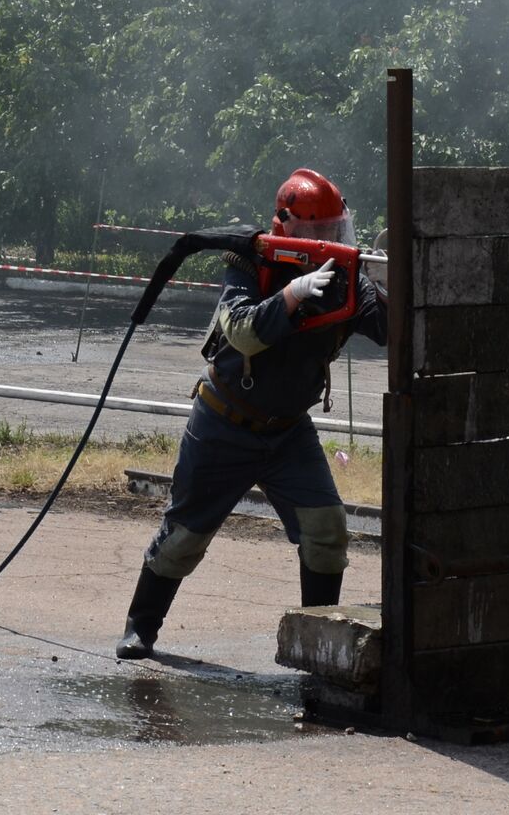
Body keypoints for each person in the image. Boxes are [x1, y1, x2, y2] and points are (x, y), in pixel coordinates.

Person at [116, 168, 388, 660]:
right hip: (224, 421)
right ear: (286, 227)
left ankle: (316, 642)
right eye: (316, 232)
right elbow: (241, 332)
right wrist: (292, 294)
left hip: (288, 433)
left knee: (327, 529)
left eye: (334, 230)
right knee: (183, 539)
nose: (328, 240)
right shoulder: (249, 260)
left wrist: (395, 285)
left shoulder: (348, 276)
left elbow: (390, 329)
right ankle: (140, 627)